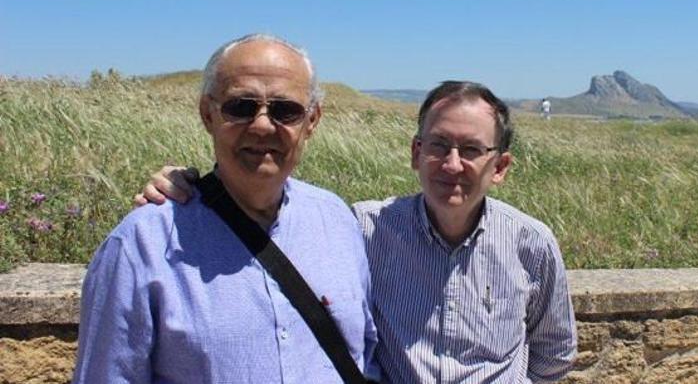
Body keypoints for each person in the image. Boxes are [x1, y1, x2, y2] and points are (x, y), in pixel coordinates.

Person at [138, 81, 577, 383]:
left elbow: (554, 355)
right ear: (415, 153)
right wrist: (192, 185)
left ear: (499, 167)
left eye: (472, 150)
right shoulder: (362, 228)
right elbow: (271, 200)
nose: (452, 164)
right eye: (439, 145)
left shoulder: (530, 245)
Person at [74, 34, 379, 383]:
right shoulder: (141, 244)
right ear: (208, 114)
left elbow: (364, 356)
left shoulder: (336, 220)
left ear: (311, 121)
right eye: (241, 107)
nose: (263, 125)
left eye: (286, 110)